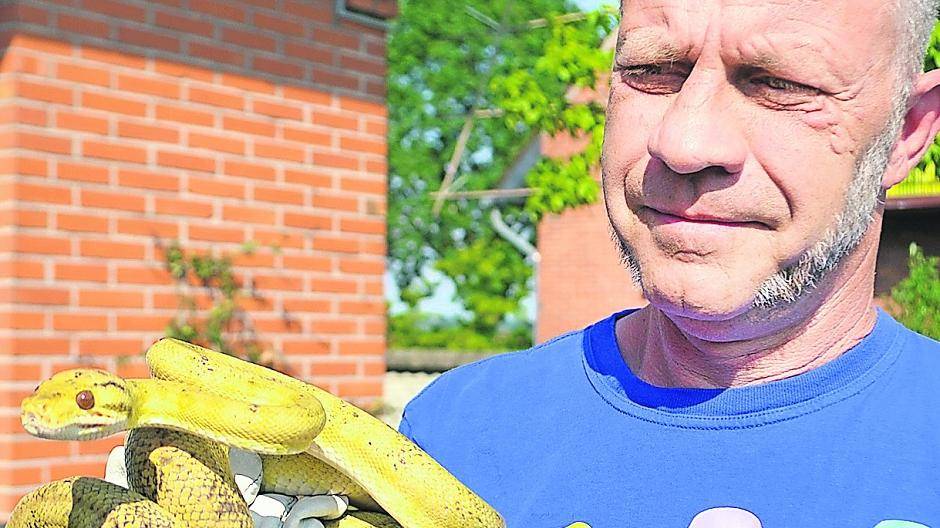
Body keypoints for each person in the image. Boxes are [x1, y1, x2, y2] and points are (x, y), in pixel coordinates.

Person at [398, 0, 940, 527]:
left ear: (907, 131)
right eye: (650, 71)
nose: (683, 142)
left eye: (780, 84)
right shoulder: (456, 441)